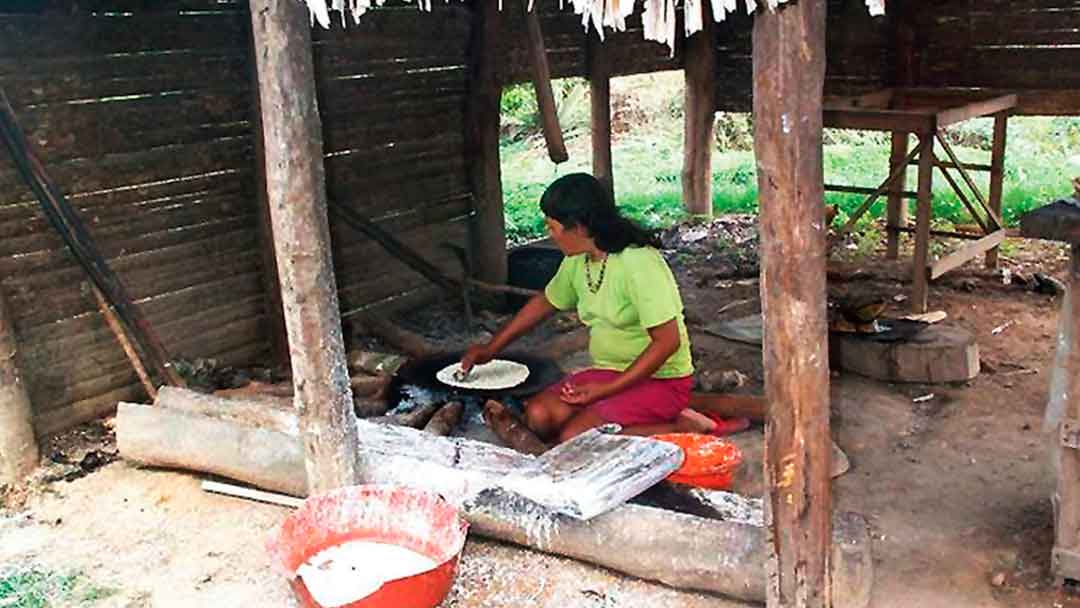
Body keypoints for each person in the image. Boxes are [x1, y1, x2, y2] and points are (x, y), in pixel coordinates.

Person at [461, 173, 724, 444]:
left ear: (579, 228)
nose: (549, 235)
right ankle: (628, 419)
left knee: (577, 439)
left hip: (661, 382)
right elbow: (545, 301)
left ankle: (684, 427)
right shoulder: (579, 260)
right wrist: (491, 348)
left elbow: (667, 342)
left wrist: (607, 389)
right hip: (608, 373)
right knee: (539, 417)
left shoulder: (639, 262)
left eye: (552, 227)